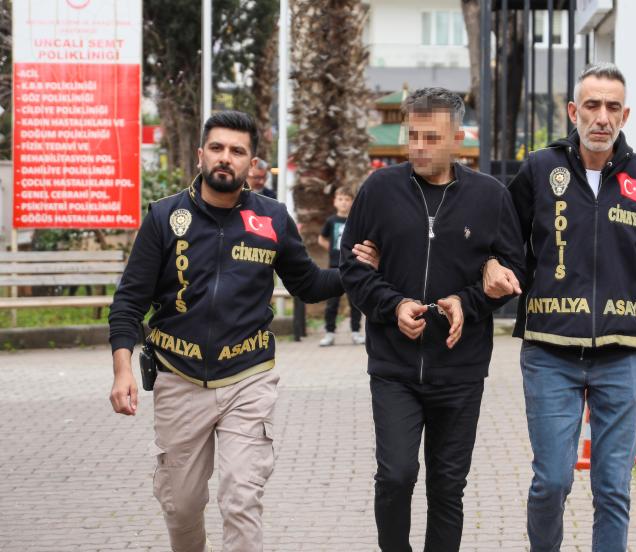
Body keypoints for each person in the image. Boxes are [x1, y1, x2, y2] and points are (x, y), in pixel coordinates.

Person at [108, 110, 346, 552]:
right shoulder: (165, 217)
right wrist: (123, 370)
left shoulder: (272, 218)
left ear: (251, 164)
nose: (225, 157)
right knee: (181, 505)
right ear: (201, 154)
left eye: (237, 151)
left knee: (241, 499)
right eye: (217, 148)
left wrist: (361, 271)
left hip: (248, 379)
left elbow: (310, 284)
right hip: (178, 378)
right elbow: (128, 302)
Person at [483, 63, 636, 552]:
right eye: (593, 106)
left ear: (625, 115)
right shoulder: (539, 169)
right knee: (552, 481)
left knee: (613, 487)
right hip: (549, 351)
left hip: (621, 354)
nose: (602, 117)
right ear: (573, 111)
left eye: (612, 107)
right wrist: (491, 264)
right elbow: (503, 239)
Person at [340, 87, 525, 552]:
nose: (418, 146)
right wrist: (393, 305)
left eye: (431, 137)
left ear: (458, 139)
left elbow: (512, 273)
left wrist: (467, 301)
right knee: (396, 475)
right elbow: (352, 267)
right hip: (394, 368)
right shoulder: (379, 191)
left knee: (447, 487)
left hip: (461, 371)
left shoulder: (490, 197)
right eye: (413, 135)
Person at [318, 187, 365, 346]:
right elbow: (322, 239)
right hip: (334, 267)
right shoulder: (331, 221)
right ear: (335, 202)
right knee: (332, 302)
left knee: (355, 302)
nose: (344, 203)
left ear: (352, 202)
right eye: (340, 199)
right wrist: (333, 251)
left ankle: (356, 332)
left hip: (352, 266)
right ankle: (329, 333)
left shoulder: (355, 221)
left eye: (347, 199)